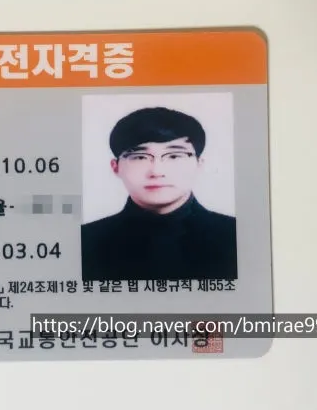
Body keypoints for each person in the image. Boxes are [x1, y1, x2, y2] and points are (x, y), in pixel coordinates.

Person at [80, 106, 237, 281]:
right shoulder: (84, 241)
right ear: (116, 167)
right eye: (140, 157)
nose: (157, 171)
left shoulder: (236, 236)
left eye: (174, 156)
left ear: (199, 164)